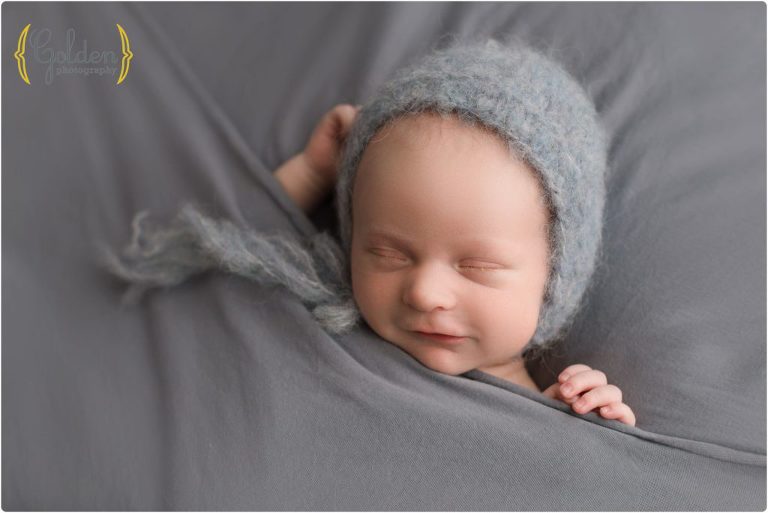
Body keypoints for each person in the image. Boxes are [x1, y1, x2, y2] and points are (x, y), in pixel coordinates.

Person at [100, 38, 636, 426]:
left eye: (477, 266)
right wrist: (311, 175)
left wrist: (593, 419)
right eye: (388, 253)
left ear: (555, 278)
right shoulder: (331, 307)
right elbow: (225, 249)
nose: (425, 292)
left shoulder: (547, 407)